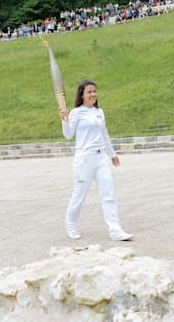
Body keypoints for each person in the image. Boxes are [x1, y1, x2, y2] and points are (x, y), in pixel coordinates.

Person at [59, 79, 133, 241]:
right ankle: (71, 225)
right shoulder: (76, 112)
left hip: (101, 159)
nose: (93, 94)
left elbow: (104, 134)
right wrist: (64, 120)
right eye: (89, 92)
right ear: (82, 95)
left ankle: (115, 230)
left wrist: (112, 154)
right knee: (79, 194)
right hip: (85, 158)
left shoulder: (100, 112)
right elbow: (68, 135)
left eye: (94, 91)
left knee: (108, 195)